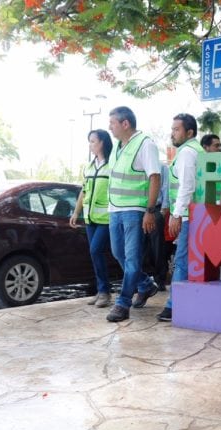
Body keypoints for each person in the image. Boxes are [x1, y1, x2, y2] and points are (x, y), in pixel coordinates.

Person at [105, 106, 162, 322]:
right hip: (115, 209)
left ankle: (123, 303)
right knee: (118, 253)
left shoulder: (145, 144)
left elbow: (155, 177)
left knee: (132, 259)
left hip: (134, 211)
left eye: (112, 123)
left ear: (125, 123)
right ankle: (145, 285)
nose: (109, 127)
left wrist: (150, 211)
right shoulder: (118, 146)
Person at [157, 113, 203, 322]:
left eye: (176, 129)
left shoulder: (186, 153)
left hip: (187, 215)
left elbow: (186, 186)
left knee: (181, 260)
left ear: (189, 132)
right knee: (188, 259)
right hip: (195, 213)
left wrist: (176, 214)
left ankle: (173, 305)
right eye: (172, 129)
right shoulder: (196, 150)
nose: (172, 133)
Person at [70, 129, 113, 308]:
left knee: (96, 251)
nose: (90, 145)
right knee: (95, 254)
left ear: (102, 142)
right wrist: (76, 212)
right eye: (89, 141)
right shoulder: (89, 166)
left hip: (106, 218)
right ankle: (101, 290)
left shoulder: (112, 165)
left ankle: (105, 292)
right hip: (90, 218)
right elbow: (84, 190)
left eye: (93, 141)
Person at [141, 162, 169, 291]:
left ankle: (160, 279)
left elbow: (166, 187)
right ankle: (143, 281)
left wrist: (163, 210)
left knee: (157, 247)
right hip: (138, 209)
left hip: (155, 210)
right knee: (141, 247)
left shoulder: (161, 166)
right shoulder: (137, 165)